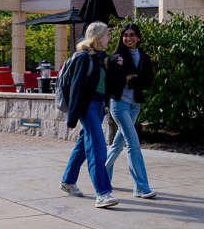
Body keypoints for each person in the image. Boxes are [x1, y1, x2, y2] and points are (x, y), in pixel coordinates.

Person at [60, 21, 120, 208]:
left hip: (99, 108)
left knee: (83, 147)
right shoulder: (84, 58)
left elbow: (107, 87)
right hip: (88, 109)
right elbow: (76, 89)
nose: (109, 38)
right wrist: (72, 117)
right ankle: (102, 194)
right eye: (107, 35)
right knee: (97, 149)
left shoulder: (100, 59)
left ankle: (68, 182)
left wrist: (114, 66)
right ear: (98, 37)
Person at [105, 23, 156, 198]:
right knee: (133, 144)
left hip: (135, 105)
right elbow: (110, 82)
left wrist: (137, 80)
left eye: (132, 35)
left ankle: (102, 176)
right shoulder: (116, 57)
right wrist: (123, 77)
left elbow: (149, 82)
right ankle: (141, 187)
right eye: (125, 35)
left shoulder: (144, 57)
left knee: (118, 145)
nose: (128, 38)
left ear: (138, 37)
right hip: (119, 105)